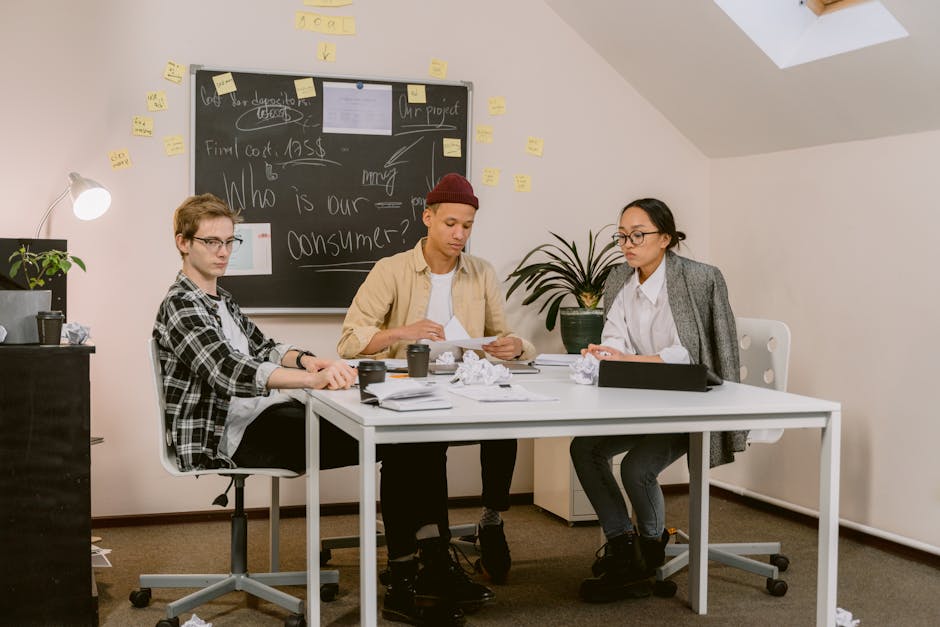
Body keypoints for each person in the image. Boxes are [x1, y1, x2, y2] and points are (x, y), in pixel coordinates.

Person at [154, 193, 485, 625]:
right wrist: (312, 380)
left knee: (408, 436)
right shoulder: (182, 304)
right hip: (227, 436)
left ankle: (428, 568)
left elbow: (265, 347)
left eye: (230, 242)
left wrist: (313, 360)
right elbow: (229, 371)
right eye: (210, 242)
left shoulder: (220, 300)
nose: (222, 253)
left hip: (258, 417)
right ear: (183, 243)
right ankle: (409, 582)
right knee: (399, 440)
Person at [338, 173, 536, 585]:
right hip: (411, 390)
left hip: (464, 384)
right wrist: (401, 332)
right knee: (422, 444)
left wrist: (515, 347)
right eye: (451, 223)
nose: (459, 234)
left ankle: (491, 519)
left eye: (468, 226)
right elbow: (349, 341)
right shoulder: (391, 270)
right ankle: (428, 549)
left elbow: (504, 335)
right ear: (427, 217)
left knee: (507, 422)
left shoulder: (481, 273)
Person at [569, 197, 744, 603]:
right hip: (641, 400)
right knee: (584, 449)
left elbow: (695, 355)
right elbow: (615, 336)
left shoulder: (698, 279)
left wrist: (630, 359)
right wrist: (605, 353)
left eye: (638, 235)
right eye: (622, 236)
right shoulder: (620, 280)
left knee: (636, 468)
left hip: (690, 403)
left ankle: (649, 550)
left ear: (665, 238)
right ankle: (623, 548)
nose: (628, 244)